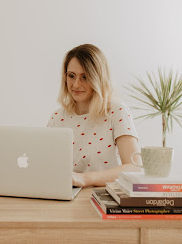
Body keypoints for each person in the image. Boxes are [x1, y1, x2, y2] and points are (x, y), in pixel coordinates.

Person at [47, 44, 141, 187]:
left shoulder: (116, 112)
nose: (76, 84)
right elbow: (47, 165)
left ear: (98, 79)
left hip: (102, 197)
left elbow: (135, 168)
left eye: (84, 77)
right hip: (65, 197)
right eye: (71, 76)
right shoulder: (57, 117)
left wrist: (84, 179)